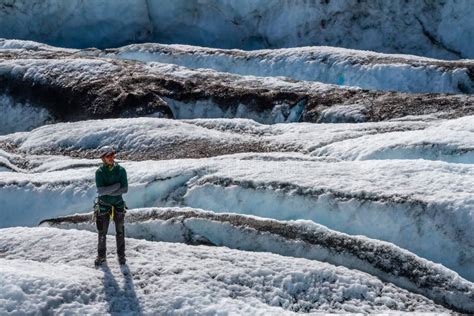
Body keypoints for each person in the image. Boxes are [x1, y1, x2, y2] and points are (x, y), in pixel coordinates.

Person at [94, 146, 128, 266]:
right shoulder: (99, 172)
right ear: (103, 158)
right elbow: (101, 191)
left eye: (112, 155)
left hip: (115, 204)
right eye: (108, 156)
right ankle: (101, 255)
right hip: (105, 205)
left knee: (120, 230)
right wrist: (116, 186)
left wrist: (108, 190)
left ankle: (121, 255)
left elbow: (125, 189)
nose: (111, 158)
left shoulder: (121, 170)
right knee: (102, 232)